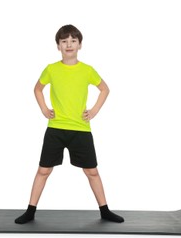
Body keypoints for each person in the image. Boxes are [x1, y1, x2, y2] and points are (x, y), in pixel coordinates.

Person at [14, 25, 124, 224]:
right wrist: (44, 109)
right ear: (58, 46)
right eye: (64, 41)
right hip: (55, 129)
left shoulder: (87, 70)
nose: (69, 44)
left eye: (73, 41)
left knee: (92, 171)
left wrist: (94, 110)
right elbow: (38, 89)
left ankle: (105, 210)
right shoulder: (51, 69)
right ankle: (30, 211)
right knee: (43, 170)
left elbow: (105, 89)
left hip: (80, 130)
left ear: (80, 45)